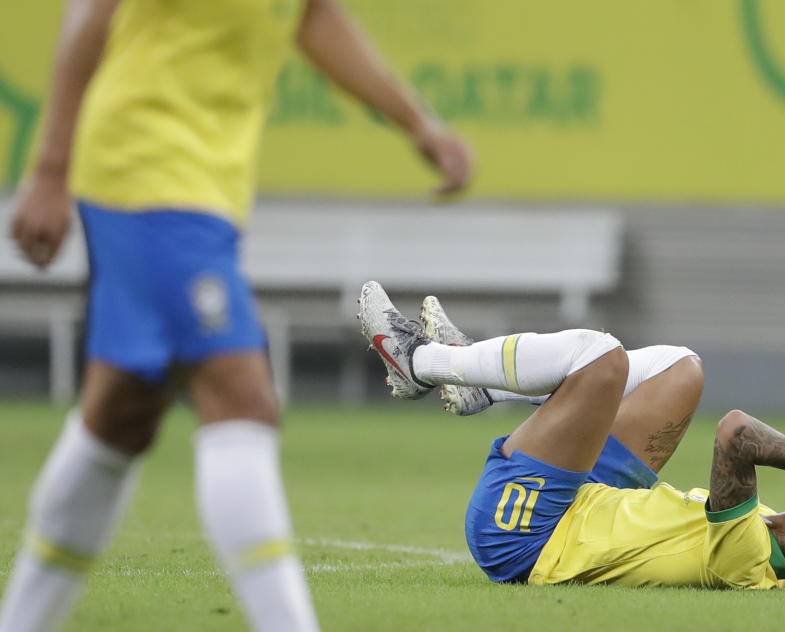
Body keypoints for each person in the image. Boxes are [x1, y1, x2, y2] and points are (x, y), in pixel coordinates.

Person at [1, 0, 472, 629]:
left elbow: (313, 16)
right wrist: (50, 166)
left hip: (206, 192)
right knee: (243, 399)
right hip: (146, 168)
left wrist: (418, 124)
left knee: (122, 416)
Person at [358, 281, 785, 590]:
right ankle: (485, 389)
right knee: (682, 369)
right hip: (594, 497)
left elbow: (737, 433)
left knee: (601, 357)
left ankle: (421, 361)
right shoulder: (770, 527)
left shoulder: (750, 557)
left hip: (527, 535)